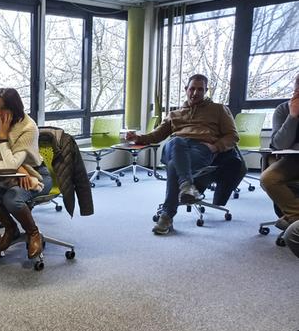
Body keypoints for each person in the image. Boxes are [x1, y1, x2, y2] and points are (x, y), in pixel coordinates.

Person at [127, 74, 239, 235]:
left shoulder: (219, 110)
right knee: (177, 141)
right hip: (174, 147)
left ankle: (167, 216)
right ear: (186, 89)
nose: (195, 93)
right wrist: (136, 137)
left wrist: (215, 147)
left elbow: (232, 136)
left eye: (200, 89)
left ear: (206, 91)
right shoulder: (175, 114)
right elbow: (155, 136)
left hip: (201, 150)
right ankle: (187, 186)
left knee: (174, 165)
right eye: (192, 88)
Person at [0, 88, 53, 259]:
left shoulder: (28, 127)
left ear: (15, 108)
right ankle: (11, 229)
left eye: (4, 108)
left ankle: (33, 233)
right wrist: (18, 169)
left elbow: (10, 163)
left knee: (12, 198)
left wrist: (3, 137)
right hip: (8, 177)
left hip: (36, 176)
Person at [261, 73, 299, 232]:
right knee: (268, 178)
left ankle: (292, 218)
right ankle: (296, 216)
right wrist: (293, 116)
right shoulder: (283, 109)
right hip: (292, 161)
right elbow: (279, 144)